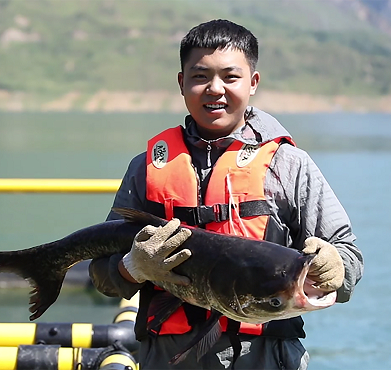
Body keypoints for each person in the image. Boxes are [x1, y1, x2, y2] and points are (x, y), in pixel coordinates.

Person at [89, 19, 363, 369]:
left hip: (265, 358)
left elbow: (348, 257)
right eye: (200, 76)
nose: (215, 89)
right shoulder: (145, 169)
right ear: (181, 83)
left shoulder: (290, 165)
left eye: (230, 77)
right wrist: (132, 267)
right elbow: (102, 276)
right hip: (166, 359)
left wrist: (335, 266)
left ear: (253, 82)